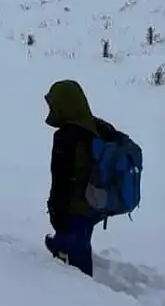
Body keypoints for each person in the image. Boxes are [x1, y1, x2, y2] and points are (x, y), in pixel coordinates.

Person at [42, 80, 141, 277]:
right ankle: (64, 250)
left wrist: (55, 213)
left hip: (77, 208)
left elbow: (61, 182)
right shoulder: (99, 127)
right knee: (80, 241)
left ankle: (85, 297)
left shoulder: (65, 138)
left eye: (54, 105)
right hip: (97, 204)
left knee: (77, 265)